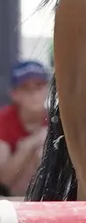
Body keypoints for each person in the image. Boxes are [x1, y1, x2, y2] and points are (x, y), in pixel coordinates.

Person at [0, 60, 50, 197]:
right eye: (26, 88)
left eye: (39, 86)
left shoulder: (56, 120)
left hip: (46, 195)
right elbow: (3, 181)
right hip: (9, 196)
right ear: (14, 94)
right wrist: (28, 145)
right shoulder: (4, 120)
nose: (34, 94)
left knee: (42, 152)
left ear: (47, 89)